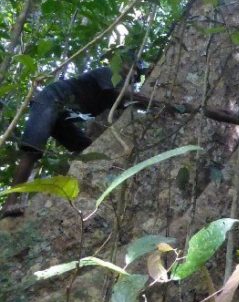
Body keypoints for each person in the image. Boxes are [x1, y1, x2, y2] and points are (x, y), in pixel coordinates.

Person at [1, 53, 145, 218]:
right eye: (134, 70)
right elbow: (128, 96)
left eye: (137, 74)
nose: (135, 75)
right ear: (123, 66)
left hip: (64, 115)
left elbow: (128, 102)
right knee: (32, 152)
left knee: (87, 151)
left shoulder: (115, 94)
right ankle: (9, 203)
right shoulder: (110, 74)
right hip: (51, 99)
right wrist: (156, 102)